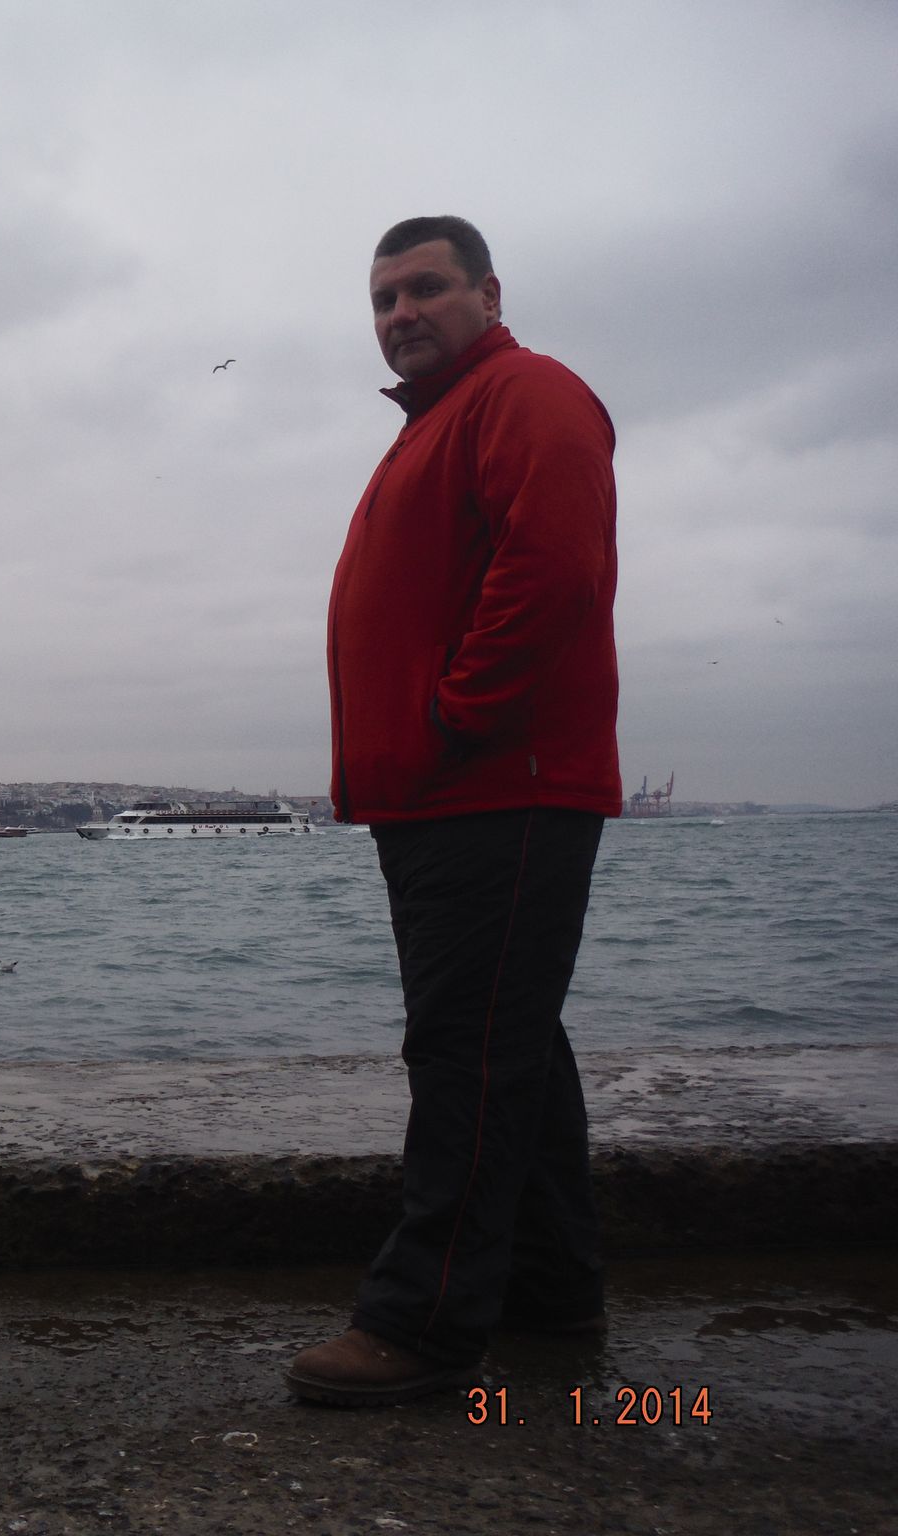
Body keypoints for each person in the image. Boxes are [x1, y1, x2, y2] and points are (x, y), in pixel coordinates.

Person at [289, 216, 623, 1407]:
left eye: (424, 288)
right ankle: (548, 1288)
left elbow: (552, 569)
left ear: (487, 292)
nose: (399, 314)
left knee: (465, 1054)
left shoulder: (524, 394)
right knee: (506, 1042)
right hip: (449, 793)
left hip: (493, 786)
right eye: (381, 299)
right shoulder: (439, 421)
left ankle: (421, 1326)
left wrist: (451, 718)